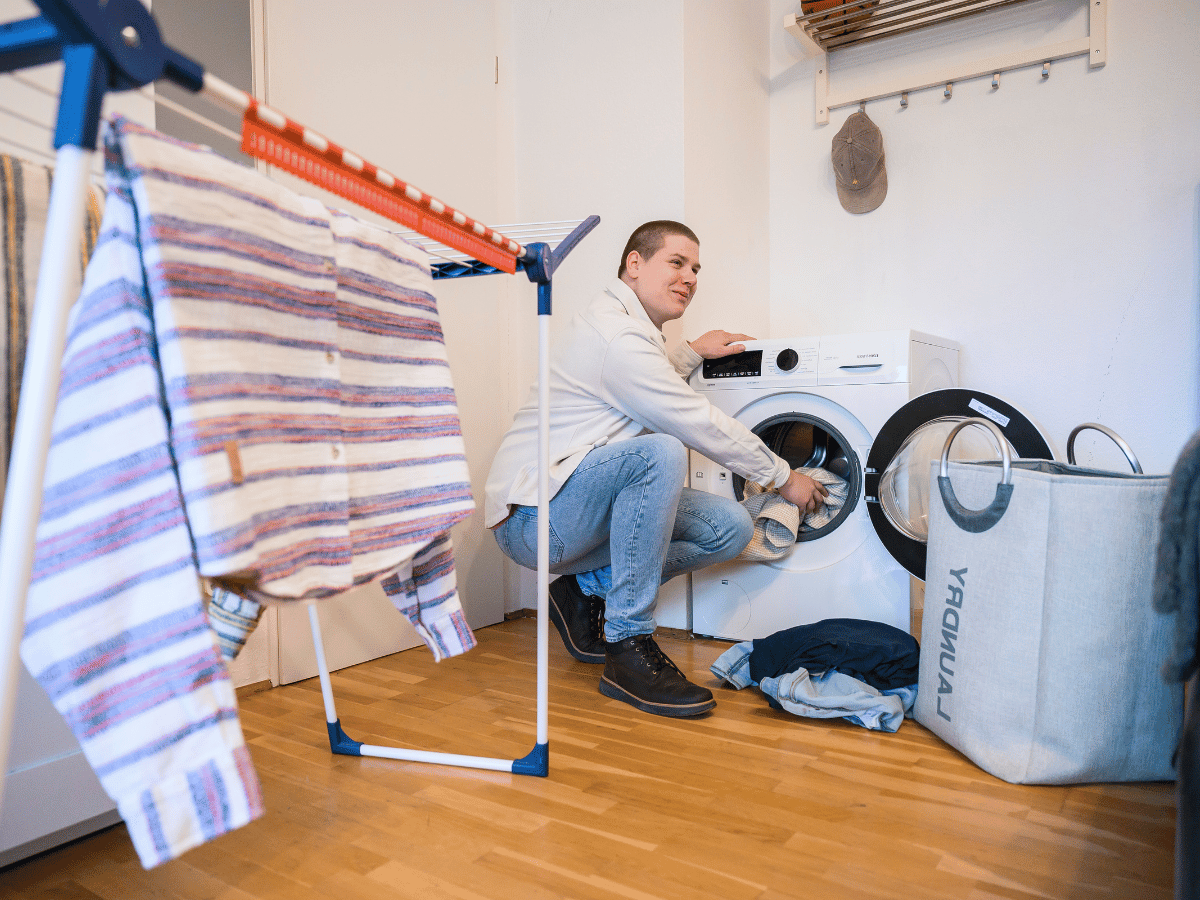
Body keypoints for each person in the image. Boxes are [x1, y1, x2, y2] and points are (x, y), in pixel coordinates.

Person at [484, 220, 827, 718]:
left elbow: (646, 386)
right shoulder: (615, 335)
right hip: (532, 520)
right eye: (677, 262)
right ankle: (627, 646)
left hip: (570, 504)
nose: (690, 278)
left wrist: (690, 353)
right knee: (660, 453)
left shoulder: (630, 332)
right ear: (635, 264)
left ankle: (582, 592)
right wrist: (784, 476)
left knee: (730, 527)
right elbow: (694, 421)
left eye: (696, 269)